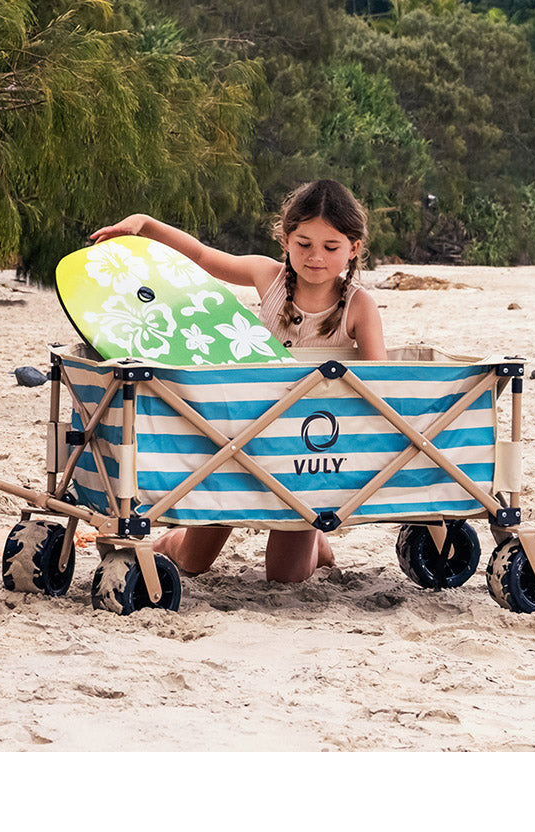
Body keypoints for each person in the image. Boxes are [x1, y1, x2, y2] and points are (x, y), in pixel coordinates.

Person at [89, 179, 387, 583]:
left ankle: (314, 540)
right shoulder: (268, 277)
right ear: (285, 238)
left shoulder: (359, 305)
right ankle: (164, 543)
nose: (315, 257)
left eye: (330, 247)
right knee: (192, 562)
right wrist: (146, 225)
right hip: (239, 445)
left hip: (304, 460)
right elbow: (199, 255)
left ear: (353, 248)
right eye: (303, 244)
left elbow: (384, 383)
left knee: (286, 578)